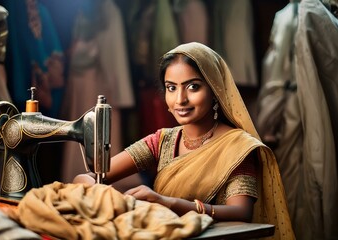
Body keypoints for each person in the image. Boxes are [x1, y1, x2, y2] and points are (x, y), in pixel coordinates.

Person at [73, 42, 295, 239]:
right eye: (171, 88)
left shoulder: (236, 147)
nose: (180, 99)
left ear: (215, 90)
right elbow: (88, 178)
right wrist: (106, 194)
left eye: (193, 87)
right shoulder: (161, 140)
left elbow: (241, 212)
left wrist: (170, 203)